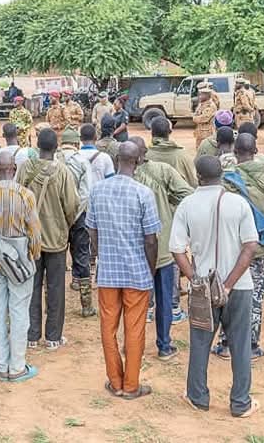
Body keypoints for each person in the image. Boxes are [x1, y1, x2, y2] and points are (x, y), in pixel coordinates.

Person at [171, 156, 259, 417]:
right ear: (222, 174)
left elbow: (177, 249)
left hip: (203, 287)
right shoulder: (238, 203)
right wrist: (229, 284)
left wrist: (196, 280)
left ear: (197, 177)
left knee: (199, 343)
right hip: (240, 286)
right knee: (241, 345)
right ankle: (240, 403)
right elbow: (250, 246)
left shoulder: (187, 205)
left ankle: (198, 397)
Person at [86, 141, 160, 399]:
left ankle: (115, 381)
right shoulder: (143, 193)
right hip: (137, 272)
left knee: (108, 328)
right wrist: (149, 272)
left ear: (117, 159)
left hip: (108, 272)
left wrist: (101, 250)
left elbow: (91, 229)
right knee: (135, 329)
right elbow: (151, 240)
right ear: (138, 161)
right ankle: (131, 385)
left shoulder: (98, 191)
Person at [0, 151, 43, 381]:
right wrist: (32, 255)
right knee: (19, 312)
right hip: (20, 262)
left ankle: (2, 367)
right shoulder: (25, 195)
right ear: (14, 168)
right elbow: (34, 232)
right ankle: (18, 367)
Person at [214, 134, 264, 361]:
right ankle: (251, 346)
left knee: (228, 292)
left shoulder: (226, 177)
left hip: (233, 247)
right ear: (256, 149)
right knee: (255, 296)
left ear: (235, 151)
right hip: (258, 247)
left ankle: (226, 344)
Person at [16, 128, 80, 350]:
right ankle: (53, 336)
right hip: (56, 238)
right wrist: (65, 224)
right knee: (55, 288)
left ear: (38, 148)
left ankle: (31, 335)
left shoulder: (25, 168)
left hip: (30, 239)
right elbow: (72, 206)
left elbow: (18, 199)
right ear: (56, 148)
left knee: (31, 287)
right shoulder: (63, 172)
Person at [131, 136, 193, 354]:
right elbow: (187, 193)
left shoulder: (125, 177)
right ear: (145, 153)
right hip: (163, 244)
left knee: (135, 300)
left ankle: (132, 346)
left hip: (135, 249)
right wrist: (169, 206)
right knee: (165, 298)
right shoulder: (163, 171)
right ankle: (164, 346)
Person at [61, 125, 113, 316]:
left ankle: (54, 304)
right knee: (82, 254)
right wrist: (76, 213)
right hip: (80, 214)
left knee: (57, 259)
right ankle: (86, 305)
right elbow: (86, 192)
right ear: (76, 142)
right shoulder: (82, 162)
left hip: (57, 217)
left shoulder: (56, 160)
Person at [146, 117, 197, 187]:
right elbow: (193, 183)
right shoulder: (182, 156)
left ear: (151, 132)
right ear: (170, 132)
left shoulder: (144, 156)